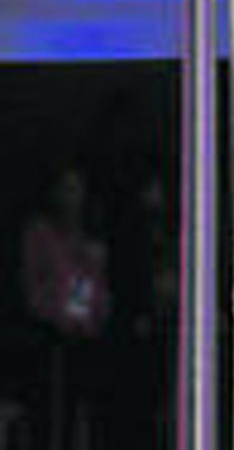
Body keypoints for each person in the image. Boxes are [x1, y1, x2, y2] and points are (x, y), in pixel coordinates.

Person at [19, 167, 112, 450]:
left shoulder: (89, 239)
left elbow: (96, 291)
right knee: (51, 415)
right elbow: (33, 287)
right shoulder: (40, 233)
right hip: (48, 338)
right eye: (67, 188)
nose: (73, 196)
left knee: (81, 415)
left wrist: (95, 314)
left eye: (78, 189)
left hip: (84, 338)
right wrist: (55, 316)